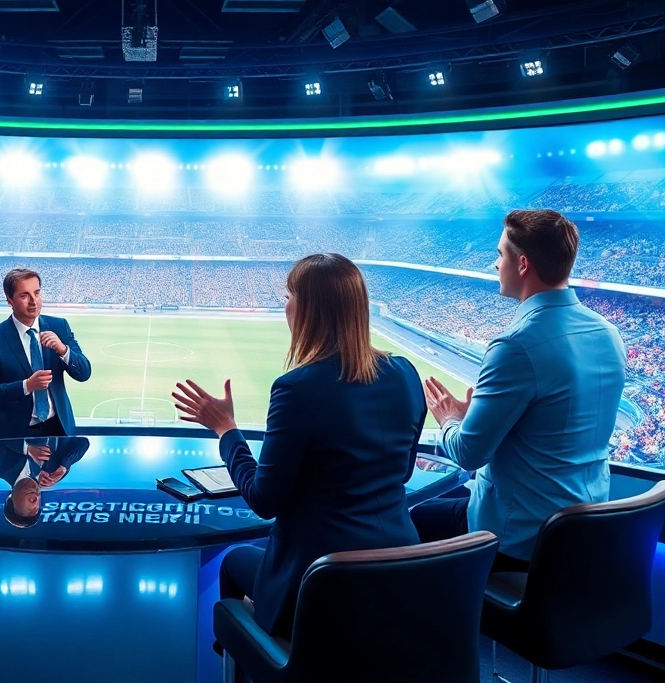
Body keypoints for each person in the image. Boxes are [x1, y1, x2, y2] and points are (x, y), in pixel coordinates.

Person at [172, 253, 426, 639]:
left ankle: (254, 659)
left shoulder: (297, 388)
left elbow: (264, 499)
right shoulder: (405, 372)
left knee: (234, 561)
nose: (285, 306)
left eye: (289, 296)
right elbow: (402, 470)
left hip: (321, 583)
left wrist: (226, 430)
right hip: (400, 570)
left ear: (307, 309)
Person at [414, 209, 626, 566]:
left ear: (523, 264)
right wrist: (478, 418)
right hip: (584, 529)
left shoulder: (516, 345)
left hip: (519, 538)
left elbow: (468, 454)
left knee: (413, 518)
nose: (496, 264)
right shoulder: (608, 333)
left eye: (500, 255)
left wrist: (450, 419)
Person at [0, 268, 92, 440]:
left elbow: (84, 373)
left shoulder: (59, 326)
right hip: (14, 437)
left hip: (59, 429)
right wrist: (27, 385)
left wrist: (63, 350)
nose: (33, 301)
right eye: (24, 295)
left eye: (37, 293)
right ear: (10, 300)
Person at [0, 436, 91, 528]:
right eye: (37, 507)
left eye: (27, 508)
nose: (36, 500)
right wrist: (65, 466)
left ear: (10, 499)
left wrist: (26, 448)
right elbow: (82, 442)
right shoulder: (53, 474)